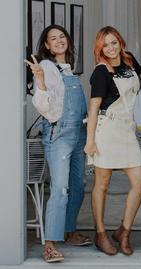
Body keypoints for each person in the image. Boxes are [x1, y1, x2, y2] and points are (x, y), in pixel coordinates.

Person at [25, 25, 92, 263]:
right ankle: (50, 245)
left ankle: (69, 231)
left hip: (79, 135)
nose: (59, 41)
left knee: (78, 186)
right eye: (53, 39)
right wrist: (40, 80)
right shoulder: (46, 67)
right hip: (59, 135)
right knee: (60, 190)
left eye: (62, 36)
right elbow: (42, 106)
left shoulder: (69, 70)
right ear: (46, 45)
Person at [84, 26, 141, 256]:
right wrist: (90, 142)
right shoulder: (101, 72)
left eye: (113, 42)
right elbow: (94, 108)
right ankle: (100, 234)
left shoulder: (130, 62)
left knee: (139, 182)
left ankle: (124, 231)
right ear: (100, 49)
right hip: (107, 130)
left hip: (127, 130)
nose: (110, 48)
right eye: (105, 45)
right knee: (102, 184)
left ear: (120, 42)